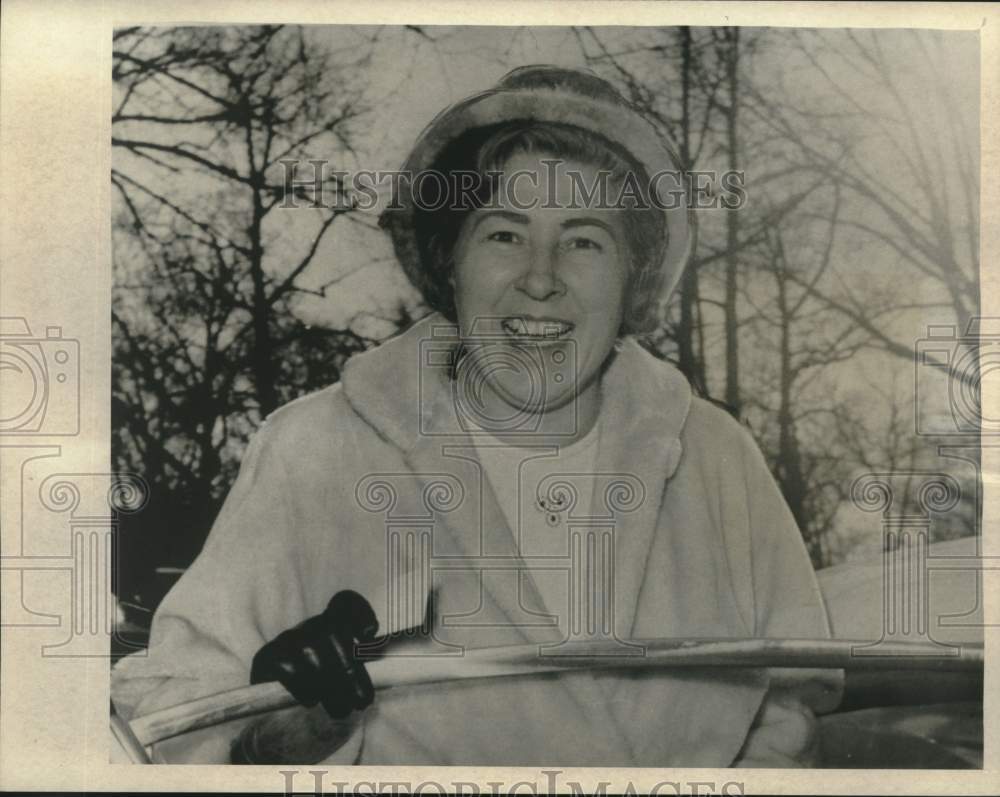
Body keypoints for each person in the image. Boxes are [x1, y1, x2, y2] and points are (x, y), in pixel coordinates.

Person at [111, 65, 842, 766]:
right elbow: (171, 722)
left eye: (585, 240)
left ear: (634, 278)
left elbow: (795, 699)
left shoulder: (714, 454)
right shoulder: (313, 449)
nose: (540, 278)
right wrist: (275, 730)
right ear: (448, 260)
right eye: (503, 233)